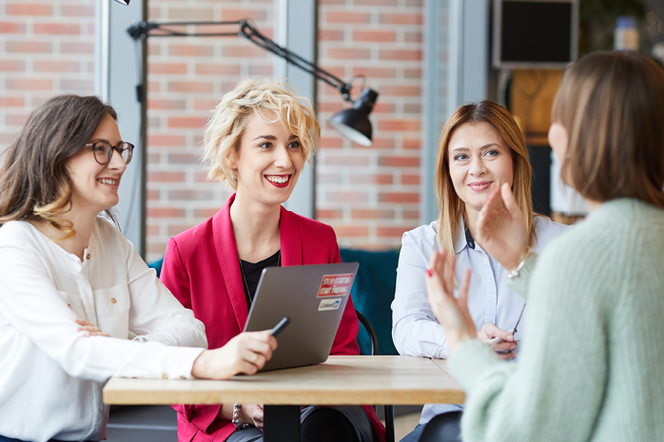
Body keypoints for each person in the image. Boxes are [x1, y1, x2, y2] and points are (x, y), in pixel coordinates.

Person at [0, 95, 277, 442]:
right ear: (57, 154)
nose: (118, 163)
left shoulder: (111, 242)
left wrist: (118, 347)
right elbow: (76, 353)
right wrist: (202, 363)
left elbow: (190, 329)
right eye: (101, 149)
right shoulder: (13, 246)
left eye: (120, 149)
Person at [423, 50, 664, 442]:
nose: (551, 134)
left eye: (560, 119)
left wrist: (462, 338)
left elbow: (524, 432)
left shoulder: (578, 257)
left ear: (581, 139)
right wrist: (524, 263)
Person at [160, 78, 385, 442]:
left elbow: (343, 349)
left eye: (294, 144)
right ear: (232, 154)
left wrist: (301, 400)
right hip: (228, 422)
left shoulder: (320, 239)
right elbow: (172, 368)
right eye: (266, 144)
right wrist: (242, 408)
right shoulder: (187, 252)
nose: (286, 160)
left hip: (317, 413)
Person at [391, 100, 568, 442]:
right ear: (448, 170)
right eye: (461, 157)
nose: (476, 169)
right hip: (447, 417)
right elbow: (406, 329)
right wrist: (465, 342)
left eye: (490, 153)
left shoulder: (560, 242)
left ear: (515, 160)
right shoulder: (422, 244)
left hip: (532, 421)